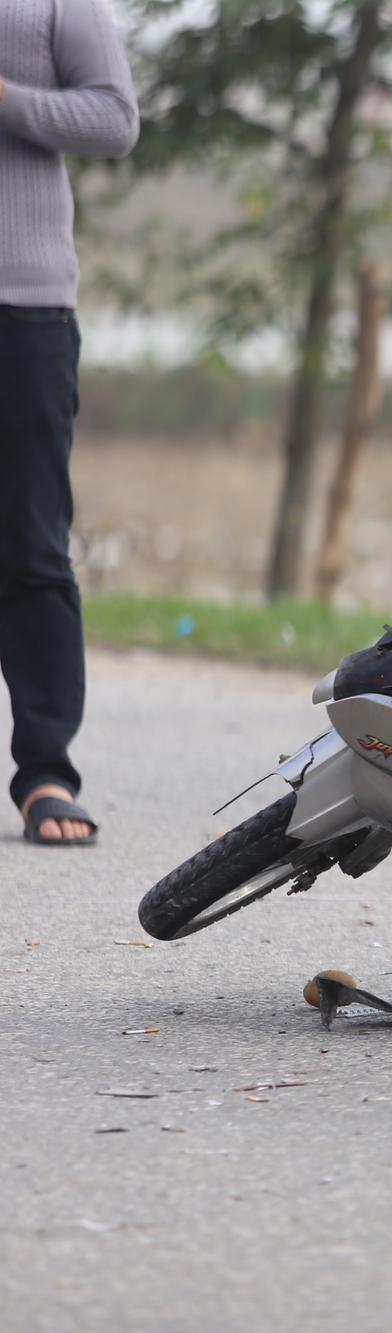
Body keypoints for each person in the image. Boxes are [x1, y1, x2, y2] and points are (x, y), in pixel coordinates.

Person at [0, 0, 139, 846]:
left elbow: (114, 118)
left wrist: (6, 98)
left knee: (31, 545)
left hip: (24, 307)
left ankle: (46, 768)